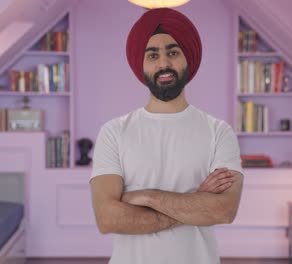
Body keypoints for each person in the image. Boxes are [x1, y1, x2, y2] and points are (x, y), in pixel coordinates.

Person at [90, 7, 244, 264]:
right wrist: (196, 201)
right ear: (141, 64)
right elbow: (107, 219)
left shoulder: (218, 132)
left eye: (172, 52)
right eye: (152, 55)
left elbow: (224, 210)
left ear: (187, 59)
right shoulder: (114, 132)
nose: (163, 63)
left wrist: (146, 197)